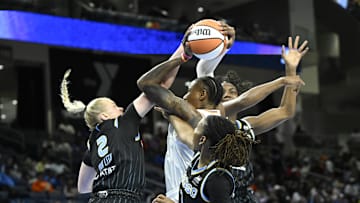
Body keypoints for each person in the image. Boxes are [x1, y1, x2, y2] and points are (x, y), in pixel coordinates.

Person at [138, 35, 308, 203]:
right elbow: (211, 77)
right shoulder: (198, 116)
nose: (227, 94)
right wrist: (220, 45)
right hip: (189, 194)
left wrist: (290, 72)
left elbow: (285, 111)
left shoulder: (241, 128)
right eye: (222, 91)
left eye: (232, 91)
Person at [59, 42, 186, 202]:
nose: (120, 108)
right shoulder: (123, 122)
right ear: (104, 116)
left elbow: (83, 187)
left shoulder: (92, 144)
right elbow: (160, 86)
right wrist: (183, 51)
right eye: (114, 106)